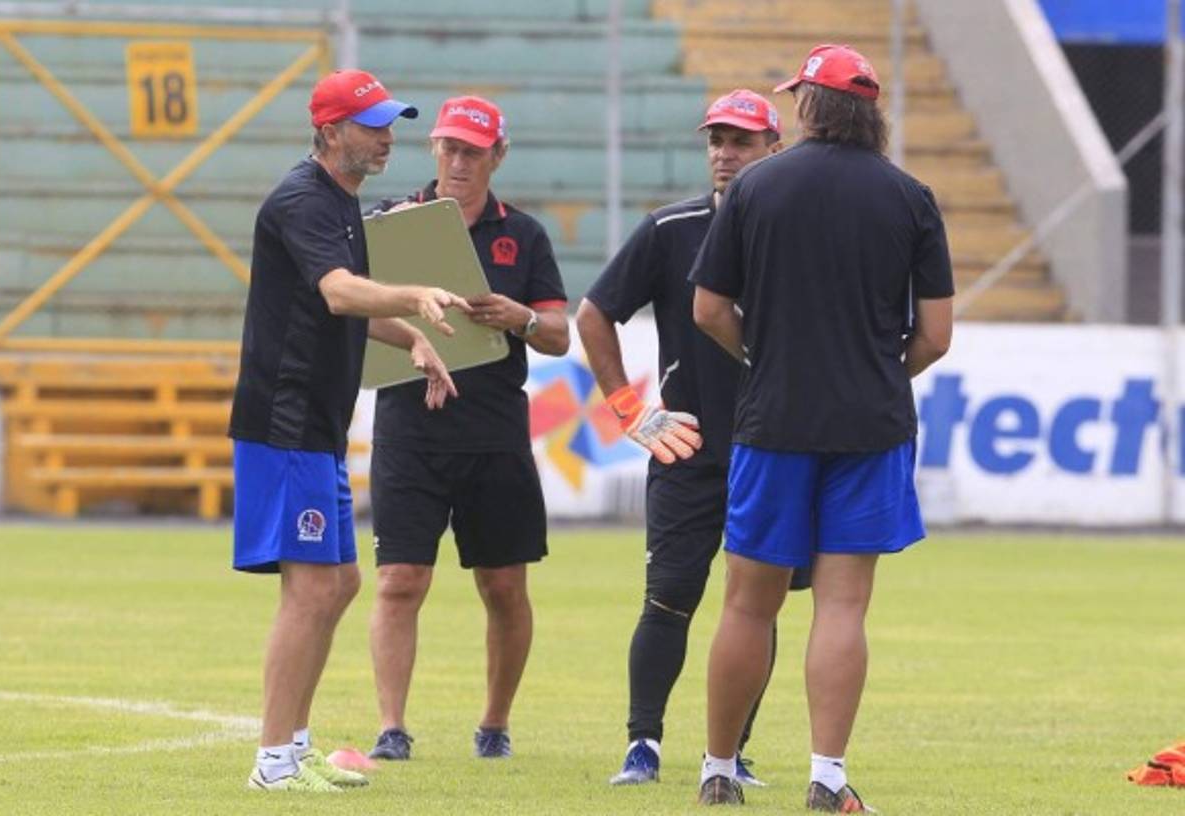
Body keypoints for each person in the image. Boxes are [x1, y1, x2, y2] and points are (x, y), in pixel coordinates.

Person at [689, 45, 954, 809]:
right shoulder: (911, 197)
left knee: (748, 602)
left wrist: (765, 358)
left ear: (807, 105)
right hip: (870, 428)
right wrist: (875, 376)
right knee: (843, 605)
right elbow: (935, 335)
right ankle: (827, 775)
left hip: (772, 420)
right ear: (871, 112)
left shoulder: (757, 187)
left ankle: (717, 768)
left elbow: (708, 308)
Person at [229, 69, 471, 793]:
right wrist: (415, 295)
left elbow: (349, 300)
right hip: (285, 424)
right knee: (310, 591)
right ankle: (275, 764)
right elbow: (338, 293)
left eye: (390, 122)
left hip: (316, 429)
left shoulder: (339, 203)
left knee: (336, 583)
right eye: (371, 124)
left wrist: (411, 340)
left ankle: (292, 749)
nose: (386, 135)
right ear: (331, 131)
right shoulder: (302, 200)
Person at [576, 89, 811, 788]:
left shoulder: (797, 234)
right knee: (669, 597)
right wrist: (630, 409)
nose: (724, 153)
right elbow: (595, 315)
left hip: (774, 451)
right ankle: (642, 745)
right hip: (689, 450)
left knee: (759, 603)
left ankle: (732, 752)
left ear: (775, 149)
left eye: (741, 141)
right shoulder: (670, 229)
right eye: (716, 139)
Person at [366, 95, 570, 761]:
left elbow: (560, 337)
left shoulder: (527, 236)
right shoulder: (392, 224)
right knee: (400, 580)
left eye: (473, 151)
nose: (458, 161)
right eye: (449, 148)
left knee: (505, 586)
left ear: (497, 157)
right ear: (434, 150)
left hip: (494, 432)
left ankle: (495, 724)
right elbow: (345, 306)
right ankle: (391, 728)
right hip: (408, 426)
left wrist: (522, 318)